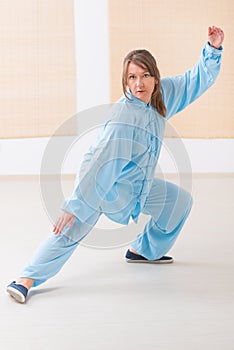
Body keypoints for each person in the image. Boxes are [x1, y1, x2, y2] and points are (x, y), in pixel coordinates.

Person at [7, 26, 224, 303]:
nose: (139, 84)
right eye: (132, 77)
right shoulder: (124, 117)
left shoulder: (163, 97)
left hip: (138, 186)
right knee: (71, 229)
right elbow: (97, 163)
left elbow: (195, 81)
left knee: (178, 203)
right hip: (104, 185)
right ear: (125, 82)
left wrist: (213, 50)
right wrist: (73, 205)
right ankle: (25, 279)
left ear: (155, 79)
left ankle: (143, 251)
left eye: (145, 75)